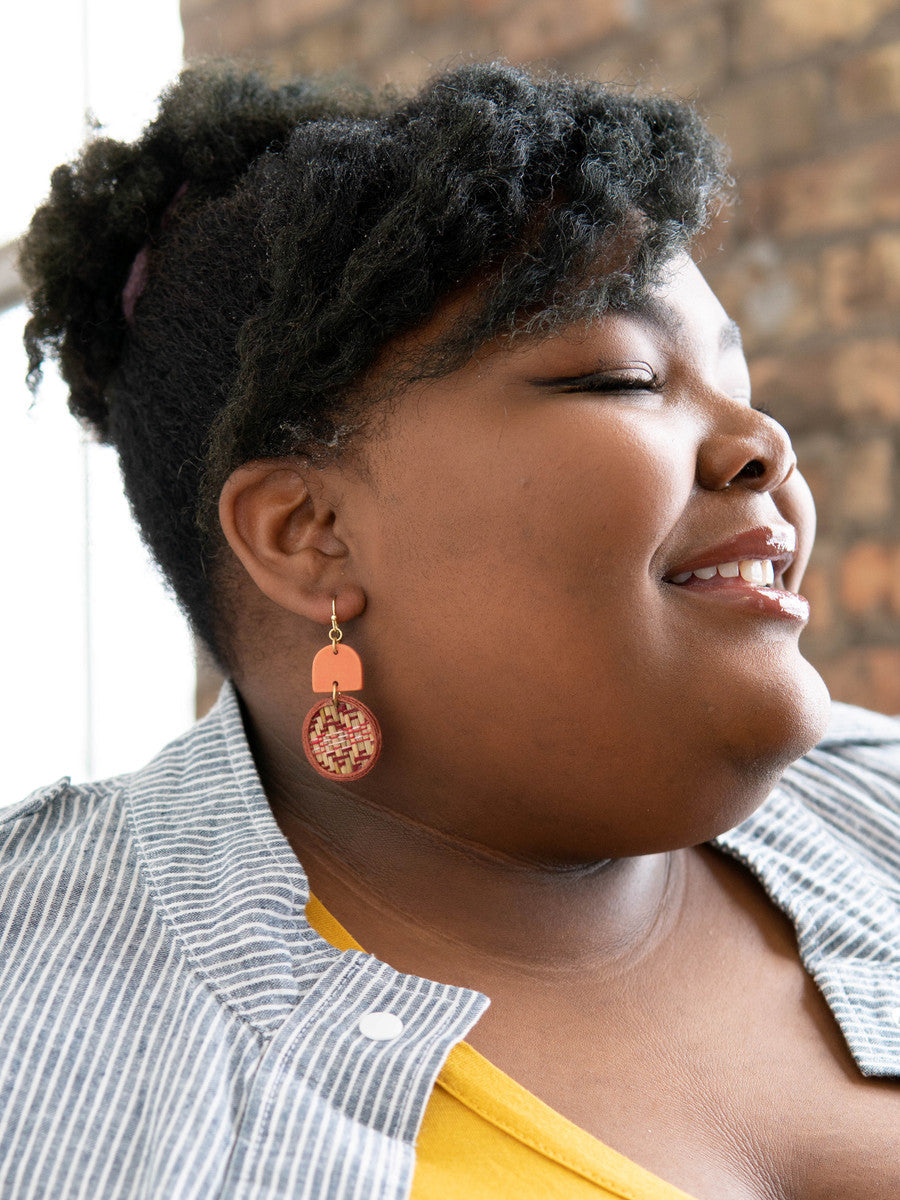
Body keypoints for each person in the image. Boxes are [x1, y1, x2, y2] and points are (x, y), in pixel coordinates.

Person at [4, 60, 899, 1200]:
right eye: (623, 379)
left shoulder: (882, 811)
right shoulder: (39, 1010)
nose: (760, 440)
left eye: (738, 377)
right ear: (308, 533)